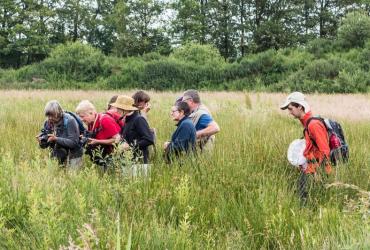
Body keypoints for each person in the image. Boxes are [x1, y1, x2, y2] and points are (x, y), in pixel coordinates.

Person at [280, 92, 332, 203]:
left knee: (307, 199)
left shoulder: (313, 124)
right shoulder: (307, 123)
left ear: (300, 106)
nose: (289, 113)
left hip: (316, 170)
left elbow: (325, 150)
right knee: (306, 196)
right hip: (310, 168)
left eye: (290, 109)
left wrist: (319, 173)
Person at [37, 100, 83, 169]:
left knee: (73, 176)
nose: (49, 118)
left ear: (58, 113)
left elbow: (74, 142)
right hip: (58, 153)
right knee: (57, 175)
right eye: (48, 115)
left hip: (74, 153)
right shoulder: (48, 122)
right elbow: (46, 144)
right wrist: (41, 142)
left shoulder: (70, 121)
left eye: (52, 115)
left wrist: (56, 139)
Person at [75, 100, 121, 169]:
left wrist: (97, 141)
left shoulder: (105, 120)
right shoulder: (91, 124)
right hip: (105, 156)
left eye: (82, 116)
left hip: (117, 156)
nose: (81, 119)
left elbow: (117, 139)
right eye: (80, 117)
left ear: (91, 113)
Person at [110, 95, 154, 164]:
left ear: (126, 109)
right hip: (128, 161)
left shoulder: (139, 119)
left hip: (140, 163)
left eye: (119, 108)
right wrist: (119, 138)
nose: (117, 110)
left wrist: (130, 146)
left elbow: (149, 139)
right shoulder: (126, 120)